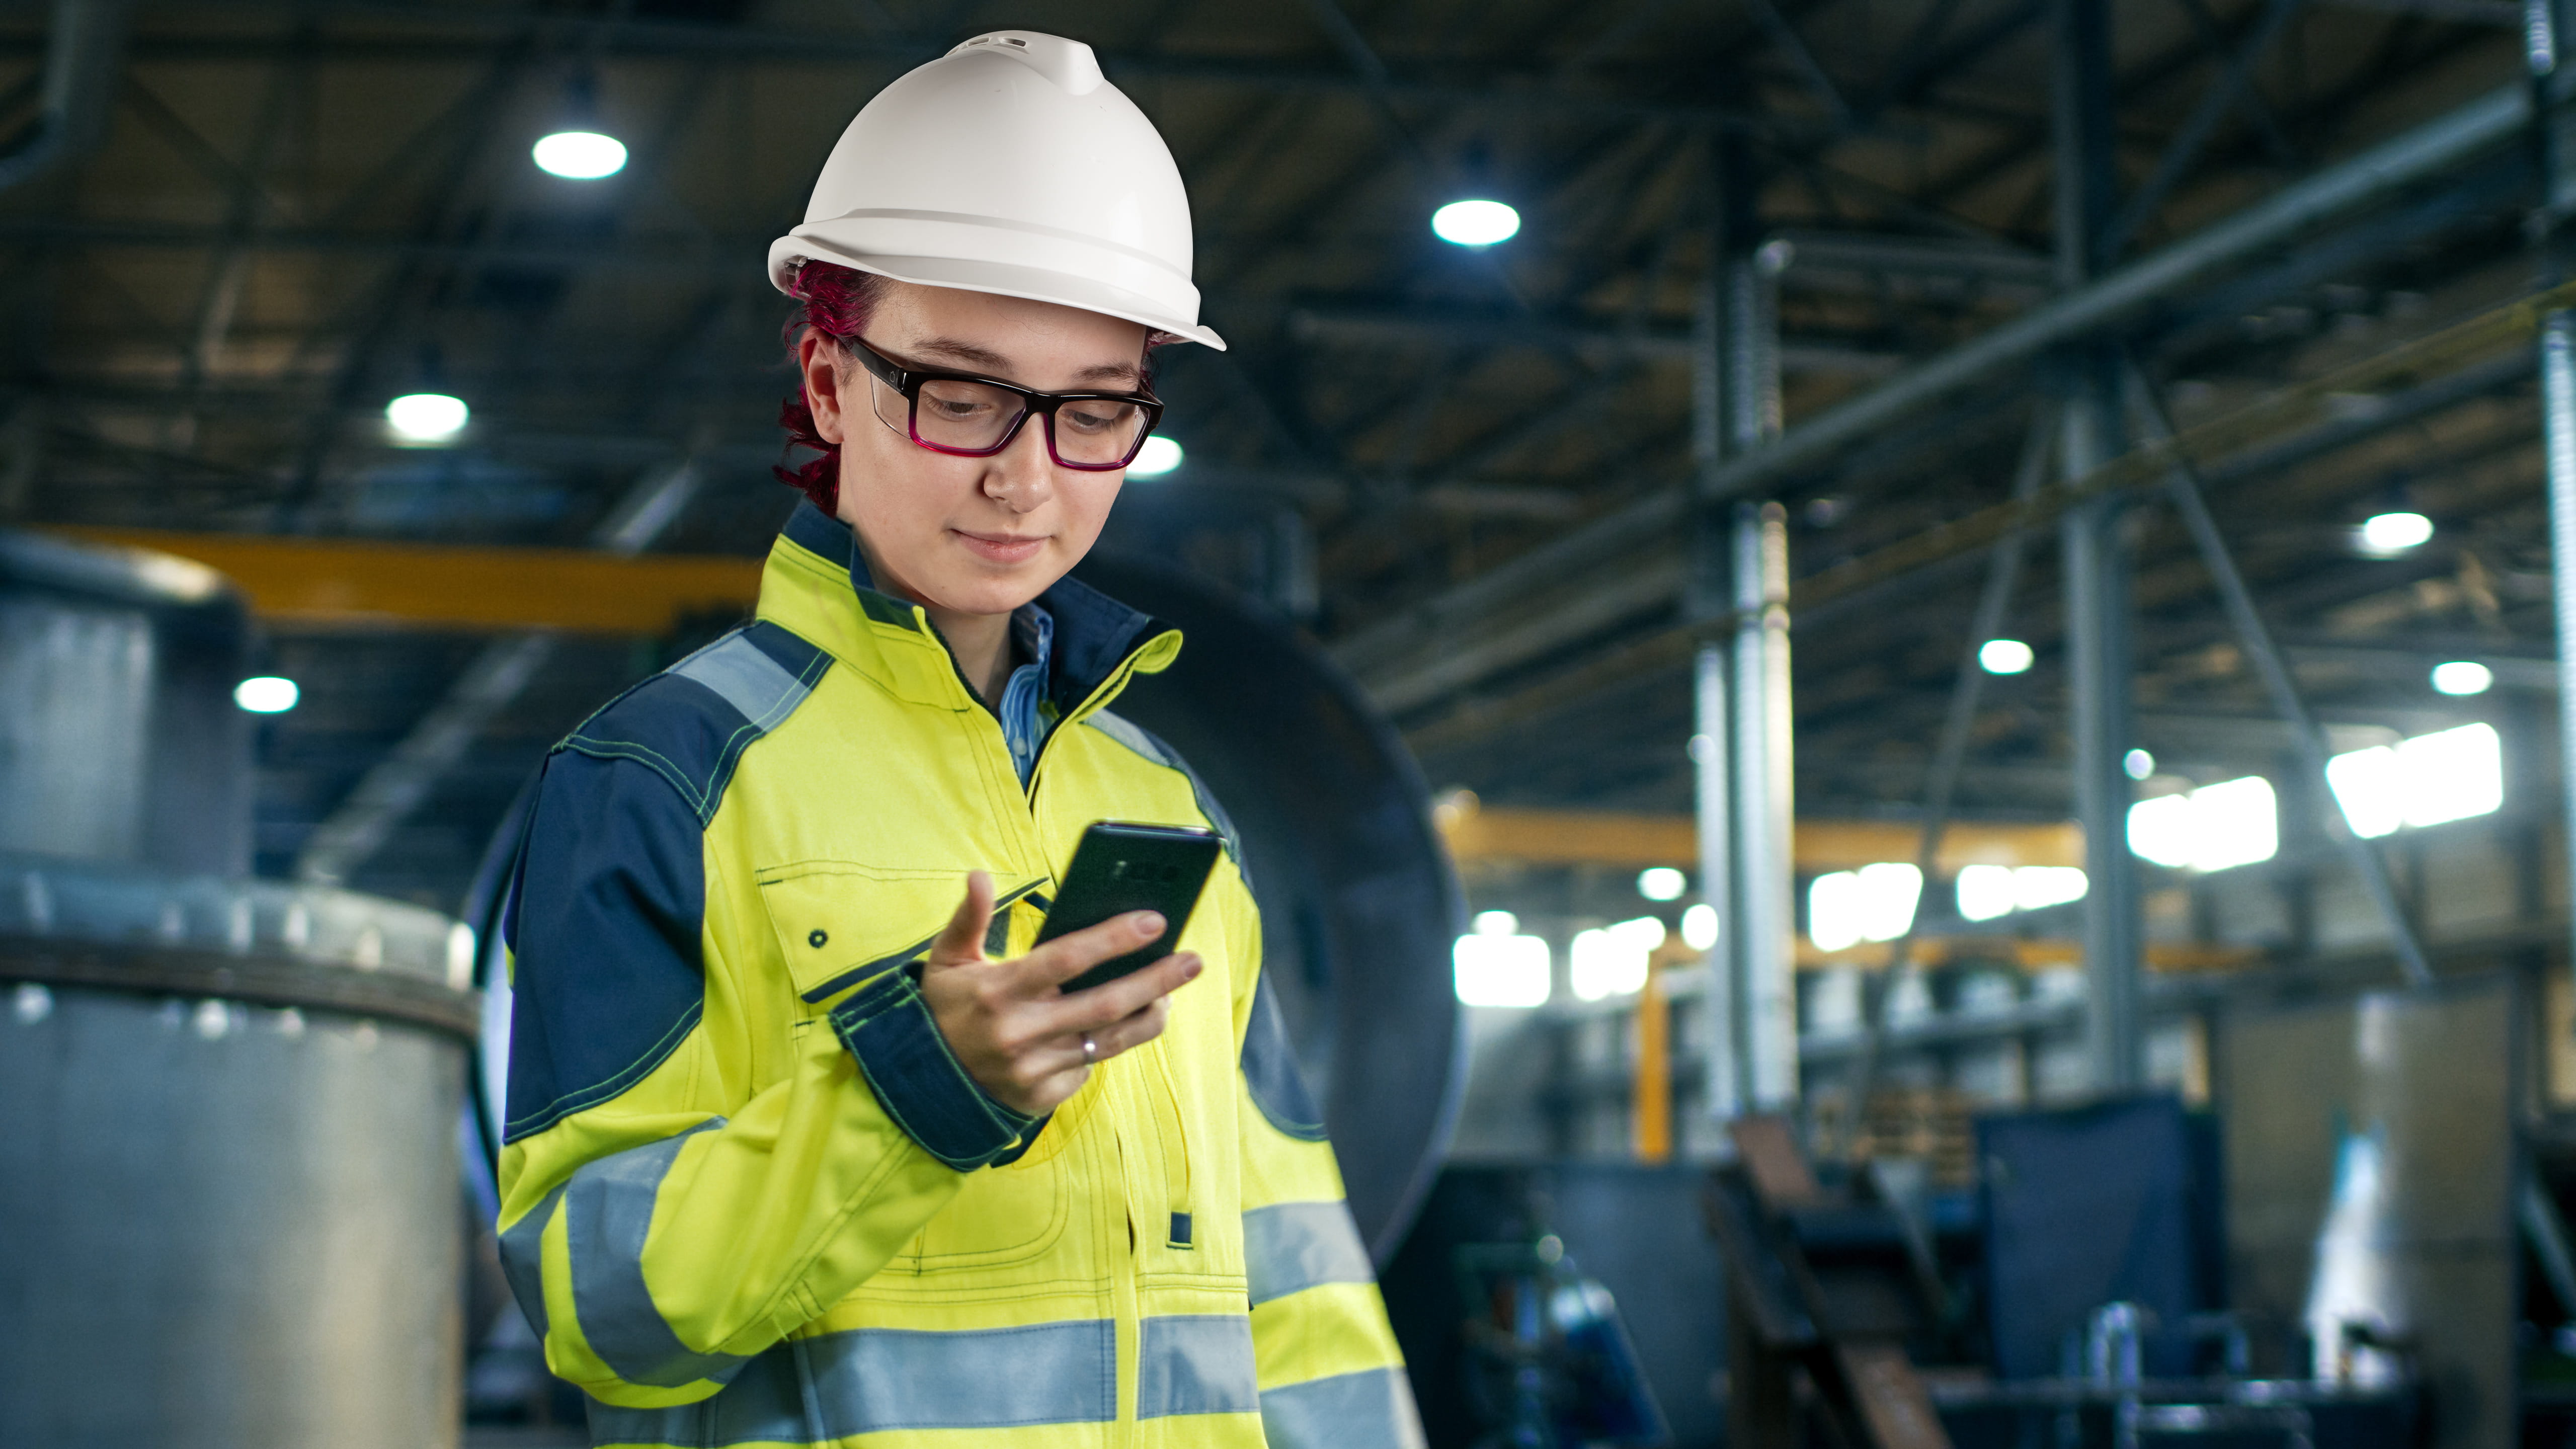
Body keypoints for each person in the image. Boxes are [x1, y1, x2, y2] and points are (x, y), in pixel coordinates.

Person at [494, 29, 1422, 1449]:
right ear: (830, 384)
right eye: (963, 396)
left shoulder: (1166, 805)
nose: (1024, 480)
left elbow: (1296, 1284)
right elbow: (597, 1313)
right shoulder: (661, 783)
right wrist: (909, 1093)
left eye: (1092, 411)